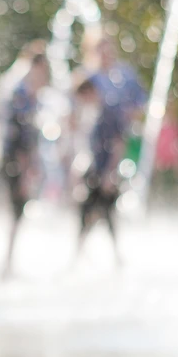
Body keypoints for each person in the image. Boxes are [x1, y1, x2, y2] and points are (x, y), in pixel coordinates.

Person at [0, 51, 50, 279]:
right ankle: (7, 264)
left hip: (21, 163)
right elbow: (17, 136)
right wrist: (24, 170)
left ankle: (9, 262)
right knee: (14, 212)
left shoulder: (30, 96)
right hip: (14, 163)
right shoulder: (20, 94)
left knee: (17, 214)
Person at [73, 76, 126, 267]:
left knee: (107, 215)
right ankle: (79, 255)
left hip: (105, 174)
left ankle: (116, 257)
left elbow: (118, 144)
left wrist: (111, 173)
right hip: (92, 173)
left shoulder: (108, 112)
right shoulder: (90, 114)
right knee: (87, 214)